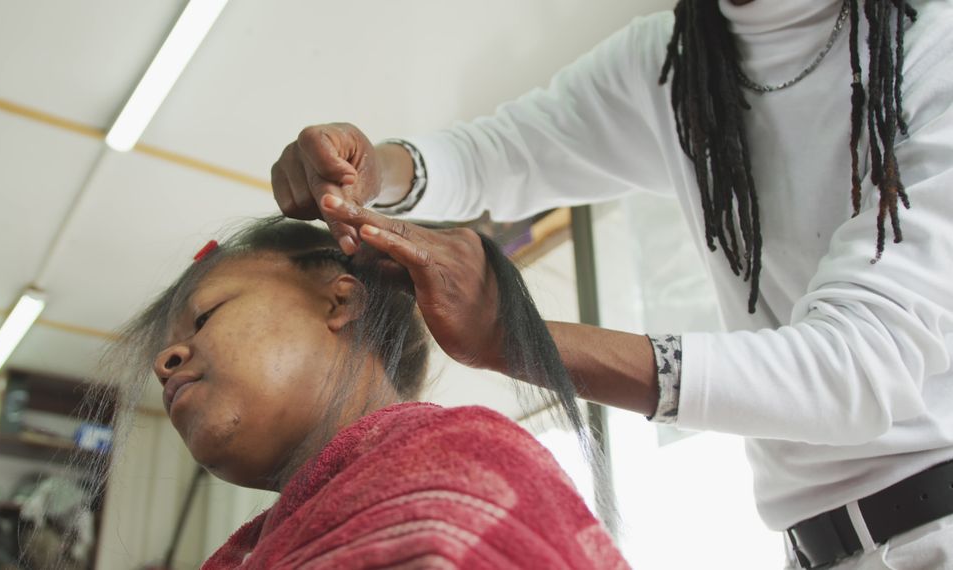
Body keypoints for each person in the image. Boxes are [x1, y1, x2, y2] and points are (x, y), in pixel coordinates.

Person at [270, 0, 953, 568]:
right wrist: (379, 168)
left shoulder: (936, 39)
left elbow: (857, 367)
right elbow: (506, 150)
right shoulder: (677, 55)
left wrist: (520, 339)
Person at [104, 218, 626, 569]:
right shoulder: (252, 551)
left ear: (340, 301)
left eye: (202, 318)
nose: (164, 362)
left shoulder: (461, 453)